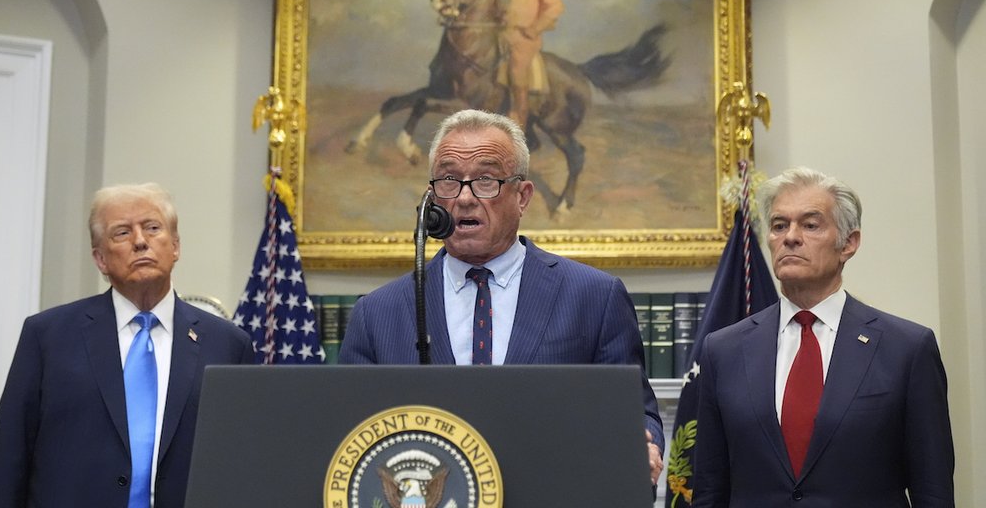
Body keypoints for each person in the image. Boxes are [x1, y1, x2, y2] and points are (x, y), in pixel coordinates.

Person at [339, 109, 664, 488]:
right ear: (431, 198)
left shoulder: (594, 297)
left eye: (486, 181)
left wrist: (644, 444)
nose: (463, 198)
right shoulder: (377, 314)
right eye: (448, 180)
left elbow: (636, 415)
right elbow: (352, 437)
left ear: (523, 196)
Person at [692, 167, 955, 507]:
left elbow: (932, 490)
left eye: (810, 225)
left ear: (848, 243)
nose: (790, 237)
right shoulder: (723, 350)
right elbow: (709, 491)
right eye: (779, 225)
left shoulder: (907, 349)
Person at [0, 183, 254, 508]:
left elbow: (242, 463)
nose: (140, 241)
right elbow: (10, 458)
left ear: (176, 246)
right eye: (122, 233)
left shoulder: (228, 344)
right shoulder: (47, 337)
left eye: (153, 228)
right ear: (100, 259)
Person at [502, 0, 564, 131]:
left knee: (517, 68)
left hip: (525, 38)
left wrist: (535, 28)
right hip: (503, 34)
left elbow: (556, 7)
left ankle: (518, 117)